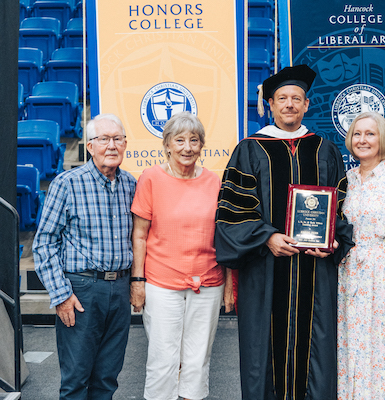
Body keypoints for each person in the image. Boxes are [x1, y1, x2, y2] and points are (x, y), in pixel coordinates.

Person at [214, 64, 354, 400]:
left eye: (296, 98)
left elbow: (341, 208)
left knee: (317, 351)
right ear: (272, 105)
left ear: (307, 105)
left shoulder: (324, 149)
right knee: (263, 353)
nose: (289, 104)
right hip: (265, 271)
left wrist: (334, 241)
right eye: (282, 99)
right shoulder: (249, 149)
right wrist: (267, 237)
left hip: (315, 271)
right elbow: (231, 213)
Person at [129, 111, 232, 400]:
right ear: (167, 145)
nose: (187, 147)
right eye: (180, 140)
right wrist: (137, 281)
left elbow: (224, 238)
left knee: (198, 359)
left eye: (194, 140)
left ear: (202, 146)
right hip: (161, 283)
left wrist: (228, 285)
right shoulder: (151, 178)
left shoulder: (215, 182)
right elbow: (139, 234)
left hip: (209, 283)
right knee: (164, 359)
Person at [33, 113, 136, 399]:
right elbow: (44, 243)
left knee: (107, 379)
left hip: (120, 290)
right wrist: (61, 295)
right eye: (103, 139)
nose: (111, 146)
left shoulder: (131, 184)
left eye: (117, 139)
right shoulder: (67, 184)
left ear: (126, 144)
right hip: (81, 292)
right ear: (90, 146)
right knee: (76, 380)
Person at [337, 111, 385, 399]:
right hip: (350, 277)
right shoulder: (346, 180)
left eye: (370, 134)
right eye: (357, 134)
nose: (363, 140)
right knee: (352, 349)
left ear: (382, 139)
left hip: (384, 275)